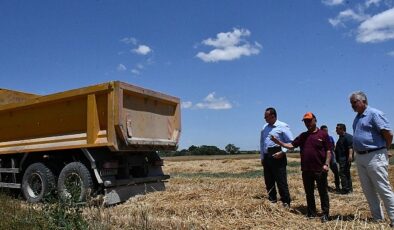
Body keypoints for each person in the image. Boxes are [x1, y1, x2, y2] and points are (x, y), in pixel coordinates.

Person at [271, 112, 331, 222]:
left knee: (323, 192)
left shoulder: (323, 134)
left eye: (309, 120)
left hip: (320, 169)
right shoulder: (303, 136)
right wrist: (278, 142)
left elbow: (328, 150)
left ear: (315, 120)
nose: (307, 123)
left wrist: (326, 164)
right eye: (305, 121)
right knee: (309, 193)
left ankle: (325, 214)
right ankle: (311, 213)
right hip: (306, 170)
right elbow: (291, 145)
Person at [350, 91, 394, 226]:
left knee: (382, 188)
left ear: (363, 101)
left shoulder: (374, 114)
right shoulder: (357, 117)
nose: (352, 105)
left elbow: (388, 134)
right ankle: (378, 218)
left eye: (354, 102)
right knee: (368, 190)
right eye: (351, 103)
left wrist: (383, 149)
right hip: (361, 157)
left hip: (375, 155)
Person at [260, 107, 293, 208]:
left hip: (278, 155)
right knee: (269, 181)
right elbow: (262, 143)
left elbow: (291, 141)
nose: (265, 118)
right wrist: (262, 157)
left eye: (266, 117)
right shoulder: (264, 127)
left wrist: (282, 152)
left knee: (281, 181)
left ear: (273, 116)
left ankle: (286, 203)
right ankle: (272, 201)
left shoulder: (282, 126)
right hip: (267, 156)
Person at [334, 123, 353, 194]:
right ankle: (349, 189)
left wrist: (350, 156)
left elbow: (350, 147)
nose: (336, 130)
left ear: (342, 129)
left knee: (342, 173)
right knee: (346, 173)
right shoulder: (341, 137)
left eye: (337, 129)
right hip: (342, 159)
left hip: (345, 159)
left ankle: (345, 189)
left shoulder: (347, 137)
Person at [320, 125, 340, 193]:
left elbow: (333, 146)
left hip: (331, 156)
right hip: (323, 157)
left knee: (336, 172)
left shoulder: (330, 138)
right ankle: (325, 186)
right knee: (324, 172)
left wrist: (334, 154)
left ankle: (337, 186)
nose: (326, 132)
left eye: (327, 131)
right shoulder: (320, 138)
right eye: (325, 131)